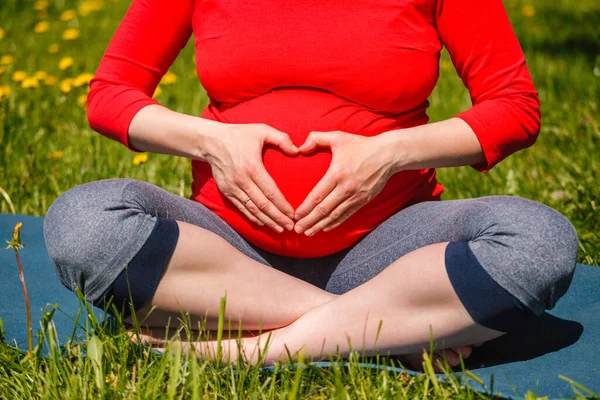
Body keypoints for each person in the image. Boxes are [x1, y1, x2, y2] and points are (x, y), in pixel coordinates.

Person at [43, 0, 579, 368]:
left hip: (390, 245)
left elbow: (514, 108)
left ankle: (255, 348)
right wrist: (211, 142)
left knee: (539, 240)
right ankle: (388, 331)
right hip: (225, 249)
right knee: (84, 223)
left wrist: (389, 154)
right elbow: (111, 94)